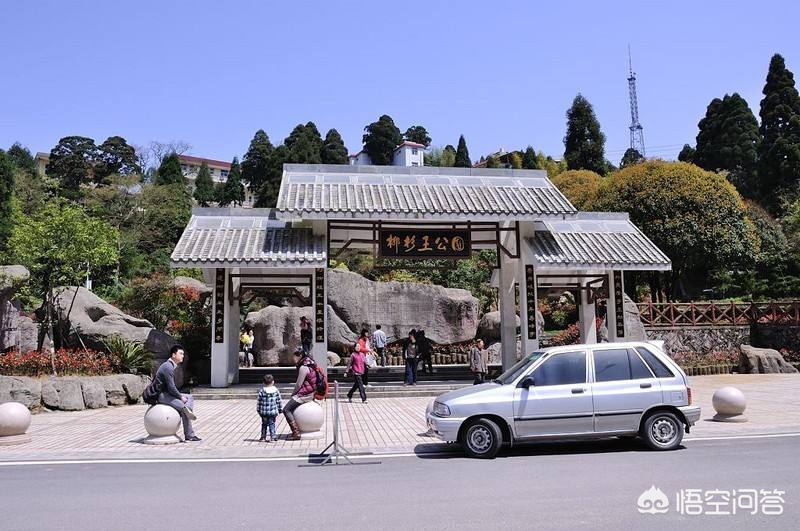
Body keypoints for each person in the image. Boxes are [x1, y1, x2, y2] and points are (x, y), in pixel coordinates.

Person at [155, 345, 201, 442]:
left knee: (190, 397)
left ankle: (188, 412)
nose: (182, 356)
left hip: (167, 394)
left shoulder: (171, 366)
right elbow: (171, 388)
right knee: (184, 408)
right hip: (161, 395)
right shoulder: (168, 367)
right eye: (180, 353)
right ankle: (189, 434)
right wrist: (180, 397)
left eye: (183, 354)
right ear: (173, 355)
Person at [283, 349, 317, 440]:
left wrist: (293, 394)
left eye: (294, 357)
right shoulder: (312, 364)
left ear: (299, 356)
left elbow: (299, 384)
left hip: (305, 395)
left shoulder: (303, 368)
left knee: (286, 409)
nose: (293, 359)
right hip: (311, 393)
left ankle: (296, 433)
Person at [256, 374, 282, 442]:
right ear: (273, 382)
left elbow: (259, 401)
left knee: (264, 424)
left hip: (263, 412)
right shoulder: (276, 391)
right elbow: (279, 401)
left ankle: (263, 437)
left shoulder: (262, 391)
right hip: (273, 412)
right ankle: (273, 437)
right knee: (272, 423)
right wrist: (280, 409)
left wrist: (258, 409)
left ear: (263, 382)